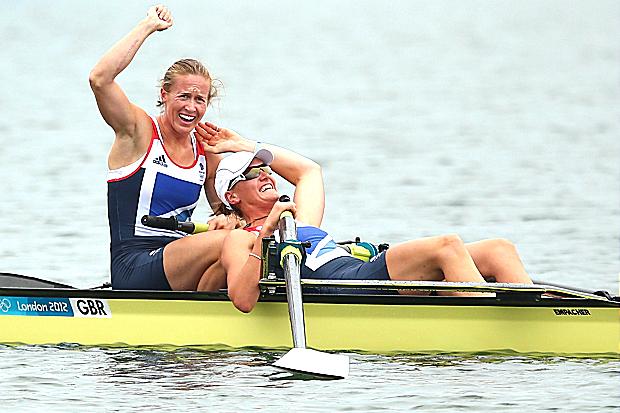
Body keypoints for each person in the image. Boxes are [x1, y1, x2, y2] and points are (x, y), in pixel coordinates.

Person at [207, 140, 533, 313]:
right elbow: (243, 299)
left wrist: (246, 144)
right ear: (232, 195)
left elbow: (309, 172)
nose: (266, 174)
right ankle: (487, 327)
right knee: (446, 245)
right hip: (350, 288)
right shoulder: (239, 239)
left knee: (498, 249)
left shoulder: (299, 218)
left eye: (266, 168)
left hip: (362, 269)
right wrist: (267, 233)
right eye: (252, 172)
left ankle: (541, 319)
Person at [89, 5, 255, 291]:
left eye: (200, 100)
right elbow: (99, 79)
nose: (192, 107)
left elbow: (223, 209)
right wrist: (147, 26)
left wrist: (227, 217)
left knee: (249, 235)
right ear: (164, 95)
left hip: (179, 262)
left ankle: (210, 313)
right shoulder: (137, 131)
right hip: (133, 265)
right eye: (183, 96)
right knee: (237, 242)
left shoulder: (206, 150)